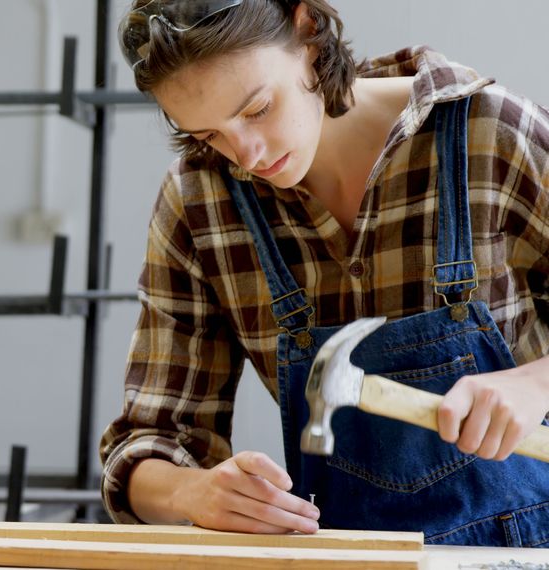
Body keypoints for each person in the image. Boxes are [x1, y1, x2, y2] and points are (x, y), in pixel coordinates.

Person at [99, 0, 549, 547]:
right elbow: (147, 441)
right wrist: (191, 492)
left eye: (258, 109)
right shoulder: (199, 201)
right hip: (342, 557)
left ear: (307, 31)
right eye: (208, 134)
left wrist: (537, 382)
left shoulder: (493, 134)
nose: (247, 154)